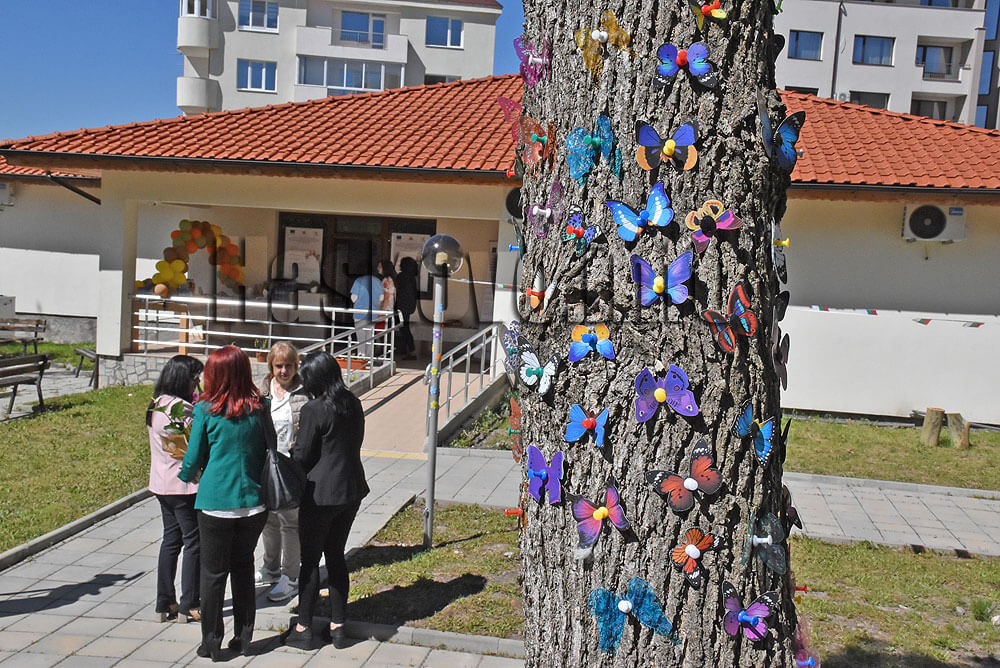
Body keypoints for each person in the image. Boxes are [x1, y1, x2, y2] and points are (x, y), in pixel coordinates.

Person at [179, 346, 269, 661]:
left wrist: (185, 475)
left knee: (213, 574)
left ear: (215, 374)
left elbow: (194, 456)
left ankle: (212, 643)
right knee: (243, 568)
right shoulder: (260, 407)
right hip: (254, 502)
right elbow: (269, 447)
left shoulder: (205, 410)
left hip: (216, 502)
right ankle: (243, 639)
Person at [284, 351, 369, 651]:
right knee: (335, 556)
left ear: (316, 378)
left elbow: (303, 455)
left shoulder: (314, 409)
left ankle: (303, 628)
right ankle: (339, 626)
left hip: (319, 495)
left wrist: (290, 454)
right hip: (351, 489)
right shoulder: (353, 403)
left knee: (310, 561)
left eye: (305, 376)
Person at [146, 355, 204, 624]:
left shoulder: (156, 404)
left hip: (161, 483)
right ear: (184, 379)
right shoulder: (181, 410)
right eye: (195, 379)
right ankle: (189, 602)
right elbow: (191, 447)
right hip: (183, 484)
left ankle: (164, 601)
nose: (197, 384)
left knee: (171, 540)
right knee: (194, 541)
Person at [256, 342, 307, 602]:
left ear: (296, 366)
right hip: (267, 464)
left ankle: (291, 576)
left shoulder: (303, 392)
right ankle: (270, 568)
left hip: (290, 466)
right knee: (268, 520)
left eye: (288, 365)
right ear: (271, 367)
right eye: (279, 366)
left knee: (290, 522)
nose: (284, 371)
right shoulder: (262, 391)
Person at [350, 270, 383, 361]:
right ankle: (369, 358)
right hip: (373, 314)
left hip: (359, 314)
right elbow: (381, 298)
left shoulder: (359, 281)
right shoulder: (377, 281)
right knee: (370, 337)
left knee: (361, 338)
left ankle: (361, 358)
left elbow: (354, 298)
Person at [395, 257, 418, 360]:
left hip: (401, 306)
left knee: (404, 328)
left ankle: (410, 351)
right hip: (408, 307)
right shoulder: (412, 277)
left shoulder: (401, 277)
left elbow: (398, 292)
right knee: (405, 328)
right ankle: (408, 350)